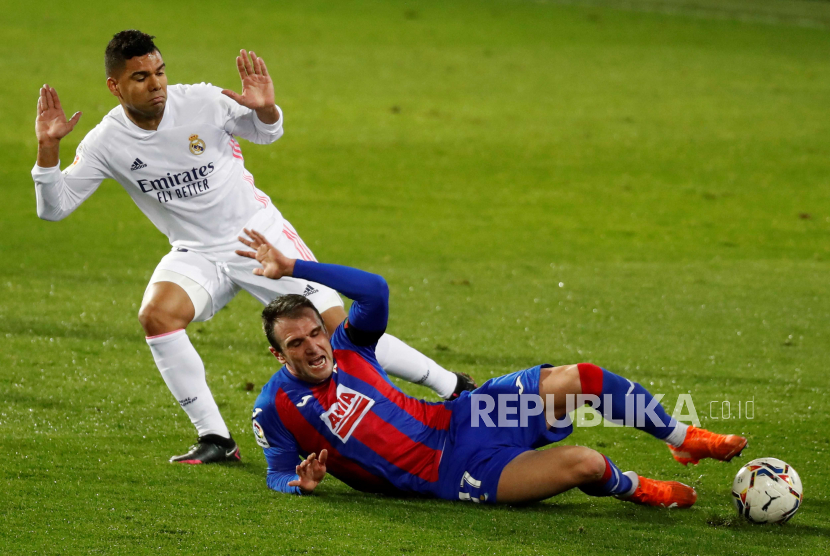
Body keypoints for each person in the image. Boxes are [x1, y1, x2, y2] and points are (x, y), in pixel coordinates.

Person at [31, 30, 474, 465]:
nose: (156, 84)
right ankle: (215, 437)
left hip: (259, 238)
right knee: (157, 315)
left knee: (341, 335)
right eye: (141, 77)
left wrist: (266, 110)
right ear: (115, 86)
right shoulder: (106, 142)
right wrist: (48, 149)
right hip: (196, 250)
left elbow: (266, 133)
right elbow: (55, 208)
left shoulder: (201, 101)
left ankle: (452, 384)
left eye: (160, 72)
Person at [239, 229, 748, 505]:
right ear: (277, 355)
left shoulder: (352, 347)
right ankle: (636, 488)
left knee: (583, 378)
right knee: (586, 463)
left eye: (313, 333)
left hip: (466, 416)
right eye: (295, 344)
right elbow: (278, 473)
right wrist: (299, 485)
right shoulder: (275, 407)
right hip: (452, 470)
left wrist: (293, 267)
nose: (311, 348)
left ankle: (680, 438)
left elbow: (374, 289)